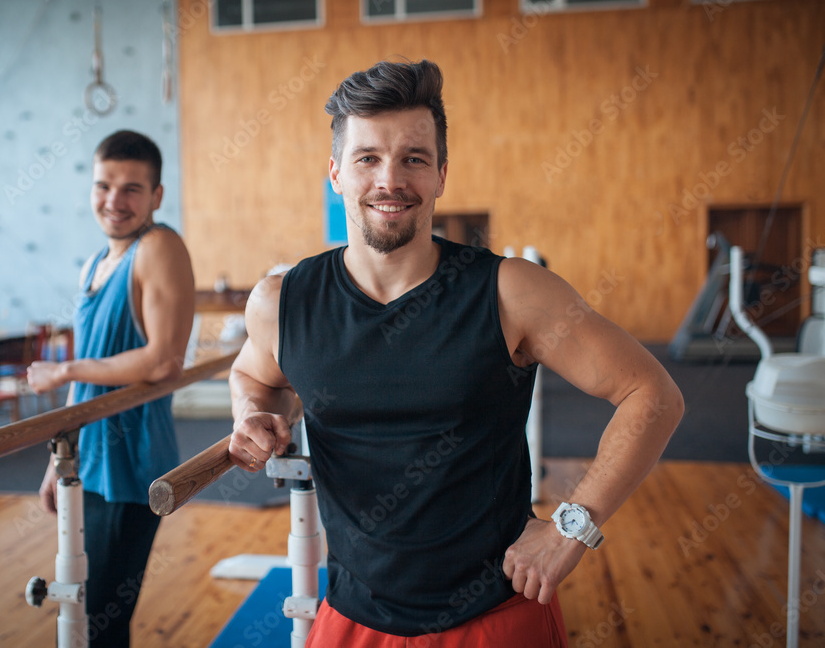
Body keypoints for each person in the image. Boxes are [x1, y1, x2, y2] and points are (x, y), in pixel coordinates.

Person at [227, 60, 684, 647]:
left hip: (495, 618)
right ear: (336, 172)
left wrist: (573, 527)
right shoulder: (282, 303)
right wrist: (248, 412)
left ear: (441, 174)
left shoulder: (512, 292)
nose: (390, 180)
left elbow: (653, 395)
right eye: (368, 158)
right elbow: (252, 375)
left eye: (413, 158)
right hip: (350, 619)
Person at [27, 130, 195, 647]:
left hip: (129, 466)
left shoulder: (158, 247)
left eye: (131, 189)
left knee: (100, 620)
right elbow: (93, 385)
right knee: (82, 610)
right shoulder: (94, 264)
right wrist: (59, 459)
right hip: (88, 461)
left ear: (156, 196)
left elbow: (163, 360)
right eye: (103, 186)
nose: (114, 201)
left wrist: (66, 369)